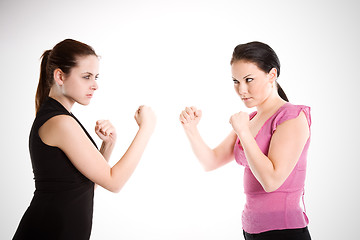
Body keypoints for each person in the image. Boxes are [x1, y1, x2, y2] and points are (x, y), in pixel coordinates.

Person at [13, 39, 156, 240]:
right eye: (86, 77)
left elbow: (85, 186)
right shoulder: (60, 122)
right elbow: (115, 183)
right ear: (60, 76)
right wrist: (146, 128)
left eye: (96, 77)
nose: (95, 85)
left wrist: (108, 145)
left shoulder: (61, 117)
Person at [180, 41, 312, 240]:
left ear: (272, 75)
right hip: (251, 230)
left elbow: (271, 181)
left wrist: (243, 132)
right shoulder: (250, 120)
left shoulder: (291, 117)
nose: (241, 89)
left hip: (284, 232)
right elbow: (210, 161)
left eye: (249, 79)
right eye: (235, 81)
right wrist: (191, 129)